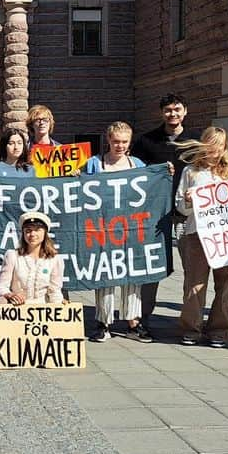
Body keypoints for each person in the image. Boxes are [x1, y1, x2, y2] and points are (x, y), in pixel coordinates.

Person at [130, 93, 203, 334]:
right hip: (155, 214)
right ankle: (143, 316)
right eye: (168, 110)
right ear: (161, 113)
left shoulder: (196, 140)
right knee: (152, 264)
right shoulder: (146, 141)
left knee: (192, 268)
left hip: (187, 213)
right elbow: (133, 174)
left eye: (177, 109)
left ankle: (190, 319)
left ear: (185, 111)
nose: (172, 114)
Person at [85, 122, 150, 342]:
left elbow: (150, 188)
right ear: (108, 140)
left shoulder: (137, 164)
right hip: (103, 228)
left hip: (130, 228)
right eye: (116, 141)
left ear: (130, 142)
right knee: (105, 274)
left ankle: (133, 322)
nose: (120, 146)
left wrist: (165, 173)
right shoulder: (94, 164)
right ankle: (103, 322)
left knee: (132, 275)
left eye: (124, 142)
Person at [174, 127, 228, 347]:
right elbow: (180, 208)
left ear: (224, 148)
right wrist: (188, 201)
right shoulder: (190, 172)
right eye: (211, 144)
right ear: (203, 144)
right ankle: (191, 328)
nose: (214, 150)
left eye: (219, 146)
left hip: (225, 237)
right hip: (197, 235)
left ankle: (219, 330)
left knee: (225, 284)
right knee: (195, 284)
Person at [0, 211, 65, 305]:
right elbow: (1, 288)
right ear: (23, 234)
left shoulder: (54, 259)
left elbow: (55, 291)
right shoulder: (12, 256)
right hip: (17, 310)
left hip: (44, 312)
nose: (32, 234)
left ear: (45, 233)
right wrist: (10, 295)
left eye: (37, 230)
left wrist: (60, 306)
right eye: (28, 230)